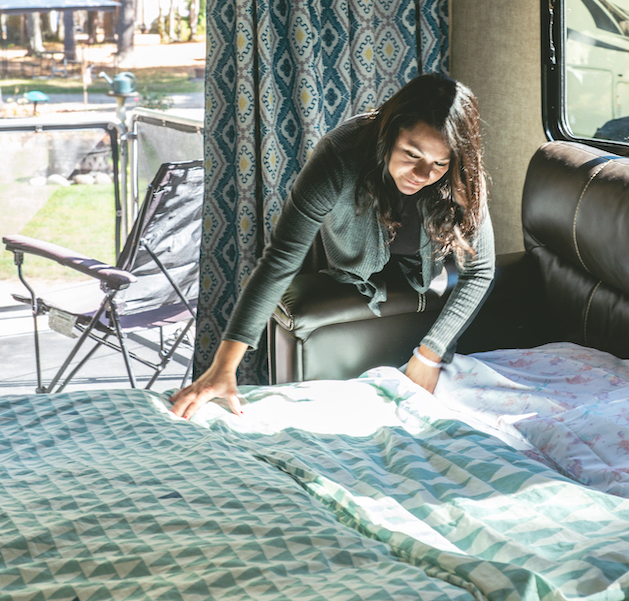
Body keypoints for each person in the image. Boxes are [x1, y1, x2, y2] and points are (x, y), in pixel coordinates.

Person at [170, 72, 493, 418]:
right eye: (412, 154)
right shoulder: (340, 154)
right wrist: (224, 366)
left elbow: (480, 270)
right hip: (343, 265)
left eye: (439, 163)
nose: (422, 173)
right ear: (390, 132)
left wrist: (431, 353)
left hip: (417, 274)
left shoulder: (461, 175)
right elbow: (280, 260)